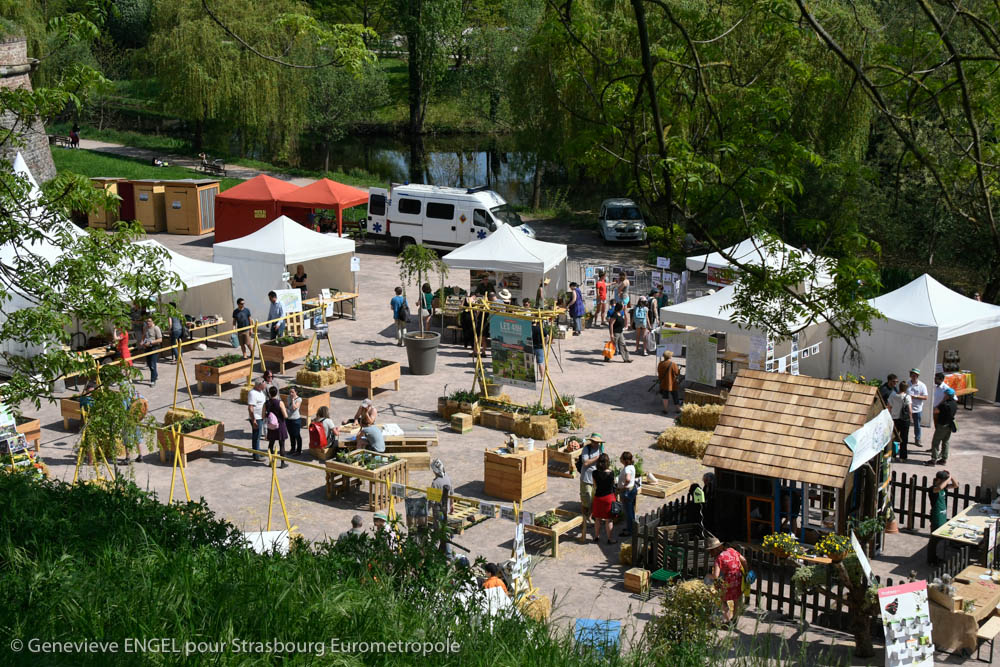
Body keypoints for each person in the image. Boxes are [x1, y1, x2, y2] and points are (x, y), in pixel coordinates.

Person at [707, 537, 747, 622]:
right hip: (738, 579)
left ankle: (729, 621)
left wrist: (708, 576)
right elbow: (744, 560)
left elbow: (716, 576)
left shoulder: (719, 559)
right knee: (736, 601)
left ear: (715, 550)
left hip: (728, 583)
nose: (710, 553)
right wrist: (746, 572)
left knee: (722, 600)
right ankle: (735, 620)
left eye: (711, 551)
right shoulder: (731, 550)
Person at [578, 434, 604, 544]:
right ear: (591, 441)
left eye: (598, 442)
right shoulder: (586, 449)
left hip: (596, 478)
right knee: (586, 499)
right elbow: (585, 462)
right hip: (586, 478)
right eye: (594, 442)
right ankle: (584, 520)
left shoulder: (600, 449)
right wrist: (597, 458)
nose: (596, 444)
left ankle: (587, 519)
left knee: (594, 500)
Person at [928, 470, 959, 565]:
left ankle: (935, 557)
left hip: (942, 515)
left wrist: (951, 477)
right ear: (937, 480)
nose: (945, 483)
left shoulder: (944, 488)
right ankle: (931, 559)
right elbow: (940, 487)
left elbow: (956, 485)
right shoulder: (933, 489)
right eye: (943, 480)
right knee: (934, 539)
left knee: (940, 536)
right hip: (936, 516)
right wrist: (948, 479)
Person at [591, 453, 618, 544]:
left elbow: (594, 486)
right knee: (609, 520)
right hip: (609, 498)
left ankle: (596, 537)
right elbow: (613, 484)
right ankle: (610, 539)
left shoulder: (594, 473)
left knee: (597, 519)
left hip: (598, 498)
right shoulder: (611, 473)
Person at [930, 389, 957, 465]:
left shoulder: (944, 404)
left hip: (942, 425)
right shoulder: (954, 404)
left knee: (935, 442)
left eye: (945, 395)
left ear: (947, 395)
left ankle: (933, 459)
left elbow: (935, 411)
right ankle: (944, 459)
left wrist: (941, 401)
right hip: (949, 425)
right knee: (946, 442)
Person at [263, 386, 288, 468]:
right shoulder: (280, 403)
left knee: (271, 444)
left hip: (271, 426)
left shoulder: (266, 403)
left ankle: (271, 462)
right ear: (276, 393)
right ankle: (282, 463)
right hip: (280, 425)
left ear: (269, 393)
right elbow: (285, 415)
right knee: (282, 444)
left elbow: (263, 416)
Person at [888, 381, 913, 461]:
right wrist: (911, 418)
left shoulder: (893, 395)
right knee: (904, 438)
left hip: (894, 419)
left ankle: (893, 455)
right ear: (906, 388)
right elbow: (910, 410)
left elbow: (889, 407)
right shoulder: (907, 397)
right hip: (904, 420)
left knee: (894, 438)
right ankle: (903, 457)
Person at [137, 317, 162, 387]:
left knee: (152, 364)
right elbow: (144, 335)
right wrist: (142, 341)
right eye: (147, 321)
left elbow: (160, 340)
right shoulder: (145, 328)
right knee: (149, 364)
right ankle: (155, 375)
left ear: (153, 321)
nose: (148, 323)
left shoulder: (156, 328)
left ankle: (152, 380)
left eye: (149, 321)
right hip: (147, 348)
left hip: (154, 348)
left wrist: (151, 342)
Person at [618, 451, 637, 538]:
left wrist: (623, 486)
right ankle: (633, 527)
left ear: (624, 460)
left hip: (627, 492)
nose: (620, 459)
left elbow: (628, 479)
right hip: (632, 489)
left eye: (621, 458)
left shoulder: (627, 469)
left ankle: (629, 530)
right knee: (631, 510)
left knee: (628, 511)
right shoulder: (631, 466)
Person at [907, 368, 928, 447]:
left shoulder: (922, 385)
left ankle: (917, 439)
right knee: (905, 425)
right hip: (907, 408)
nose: (914, 376)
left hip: (917, 409)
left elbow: (925, 397)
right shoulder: (907, 383)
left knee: (917, 425)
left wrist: (915, 396)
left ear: (918, 376)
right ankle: (903, 439)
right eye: (912, 374)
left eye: (915, 375)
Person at [247, 379, 267, 461]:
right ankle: (256, 455)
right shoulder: (253, 393)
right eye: (264, 383)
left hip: (260, 417)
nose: (265, 384)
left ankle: (256, 453)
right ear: (259, 385)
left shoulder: (261, 391)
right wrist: (253, 420)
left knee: (257, 436)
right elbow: (250, 407)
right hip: (257, 418)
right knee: (256, 436)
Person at [286, 387, 303, 456]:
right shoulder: (288, 397)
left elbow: (294, 407)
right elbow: (287, 406)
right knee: (291, 435)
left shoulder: (299, 399)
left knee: (297, 435)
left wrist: (293, 400)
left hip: (296, 420)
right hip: (289, 419)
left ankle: (298, 450)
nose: (291, 393)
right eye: (290, 392)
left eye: (292, 392)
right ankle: (293, 449)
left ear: (296, 392)